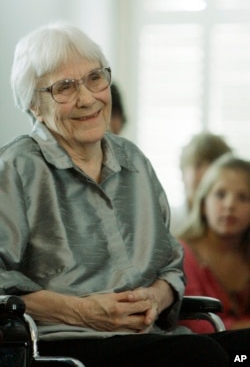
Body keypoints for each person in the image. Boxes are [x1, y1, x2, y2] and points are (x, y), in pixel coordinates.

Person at [0, 21, 250, 367]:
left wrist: (157, 297)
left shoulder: (133, 161)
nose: (87, 98)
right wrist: (82, 311)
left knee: (244, 351)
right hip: (66, 346)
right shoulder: (15, 169)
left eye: (95, 78)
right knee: (202, 356)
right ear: (33, 105)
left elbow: (171, 267)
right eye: (65, 87)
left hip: (150, 340)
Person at [178, 153, 250, 333]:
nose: (229, 205)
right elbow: (195, 325)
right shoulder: (180, 254)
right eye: (220, 194)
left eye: (243, 197)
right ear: (203, 204)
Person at [170, 132, 232, 236]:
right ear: (182, 173)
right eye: (198, 165)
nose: (206, 173)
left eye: (214, 166)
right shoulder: (166, 222)